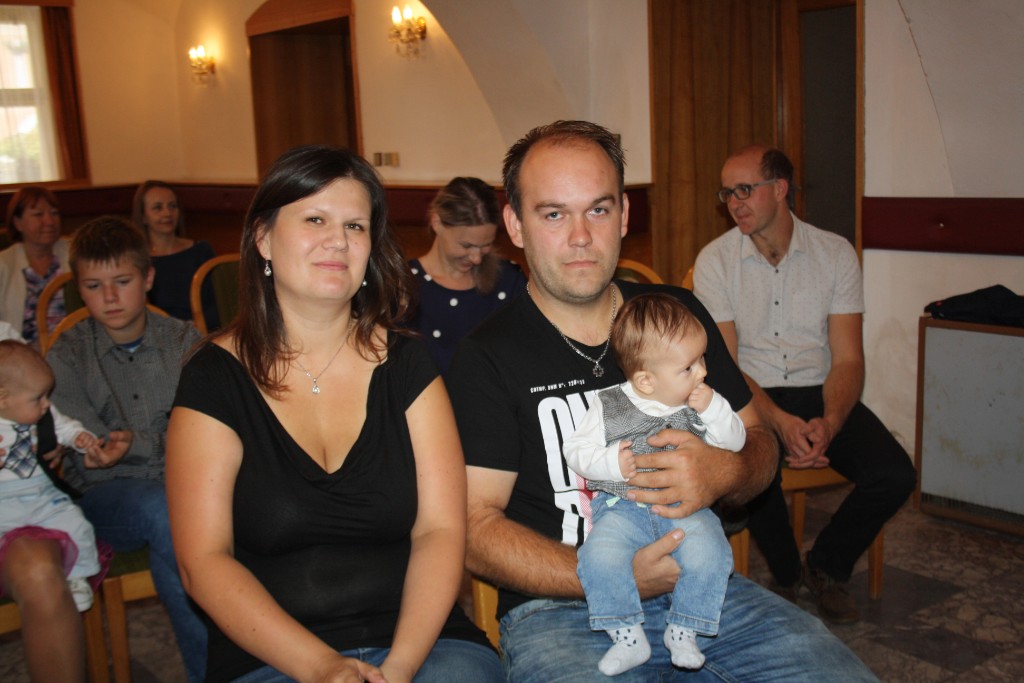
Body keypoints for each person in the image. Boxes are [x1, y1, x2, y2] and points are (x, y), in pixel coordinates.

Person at [446, 120, 878, 682]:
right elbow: (474, 528)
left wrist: (725, 471)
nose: (581, 236)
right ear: (515, 225)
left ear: (624, 214)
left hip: (703, 589)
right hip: (562, 610)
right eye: (553, 214)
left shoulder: (678, 316)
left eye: (598, 210)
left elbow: (760, 445)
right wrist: (609, 575)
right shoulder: (487, 357)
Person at [165, 145, 501, 683]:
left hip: (421, 643)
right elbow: (203, 560)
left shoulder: (408, 365)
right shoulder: (214, 378)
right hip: (271, 654)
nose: (338, 241)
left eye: (355, 226)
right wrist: (321, 667)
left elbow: (440, 532)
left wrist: (399, 668)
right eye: (315, 219)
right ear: (263, 238)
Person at [693, 145, 916, 624]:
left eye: (744, 190)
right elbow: (726, 366)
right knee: (755, 466)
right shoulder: (715, 260)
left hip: (820, 389)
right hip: (751, 392)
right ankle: (788, 575)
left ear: (780, 189)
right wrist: (778, 422)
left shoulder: (834, 253)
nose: (734, 203)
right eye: (727, 193)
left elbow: (849, 358)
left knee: (895, 473)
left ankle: (826, 566)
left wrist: (830, 422)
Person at [46, 216, 207, 682]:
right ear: (79, 288)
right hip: (107, 498)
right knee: (169, 513)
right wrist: (107, 450)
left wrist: (137, 444)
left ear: (148, 277)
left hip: (185, 487)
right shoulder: (67, 355)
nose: (110, 297)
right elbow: (83, 448)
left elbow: (206, 432)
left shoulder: (184, 342)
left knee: (182, 529)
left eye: (122, 281)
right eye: (94, 286)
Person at [564, 293, 746, 675]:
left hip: (685, 510)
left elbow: (735, 443)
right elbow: (576, 450)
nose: (702, 373)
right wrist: (611, 463)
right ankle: (626, 635)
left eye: (702, 360)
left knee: (712, 551)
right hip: (621, 509)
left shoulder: (700, 404)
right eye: (688, 367)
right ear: (646, 380)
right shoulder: (608, 403)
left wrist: (715, 409)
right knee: (597, 557)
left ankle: (685, 628)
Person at [0, 340, 115, 683]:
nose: (47, 404)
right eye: (39, 398)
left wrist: (80, 438)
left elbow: (66, 427)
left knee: (77, 524)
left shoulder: (41, 412)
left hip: (42, 498)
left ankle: (78, 574)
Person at [408, 177, 525, 373]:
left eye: (486, 245)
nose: (476, 258)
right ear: (437, 223)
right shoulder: (404, 284)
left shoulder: (509, 280)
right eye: (466, 245)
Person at [132, 180, 219, 327]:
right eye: (158, 208)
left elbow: (218, 303)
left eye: (172, 206)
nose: (167, 213)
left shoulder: (201, 251)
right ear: (143, 217)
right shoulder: (137, 259)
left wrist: (195, 327)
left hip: (203, 332)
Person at [0, 187, 70, 346]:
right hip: (20, 353)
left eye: (54, 213)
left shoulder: (75, 253)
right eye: (38, 214)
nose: (49, 221)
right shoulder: (4, 264)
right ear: (18, 223)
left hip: (75, 350)